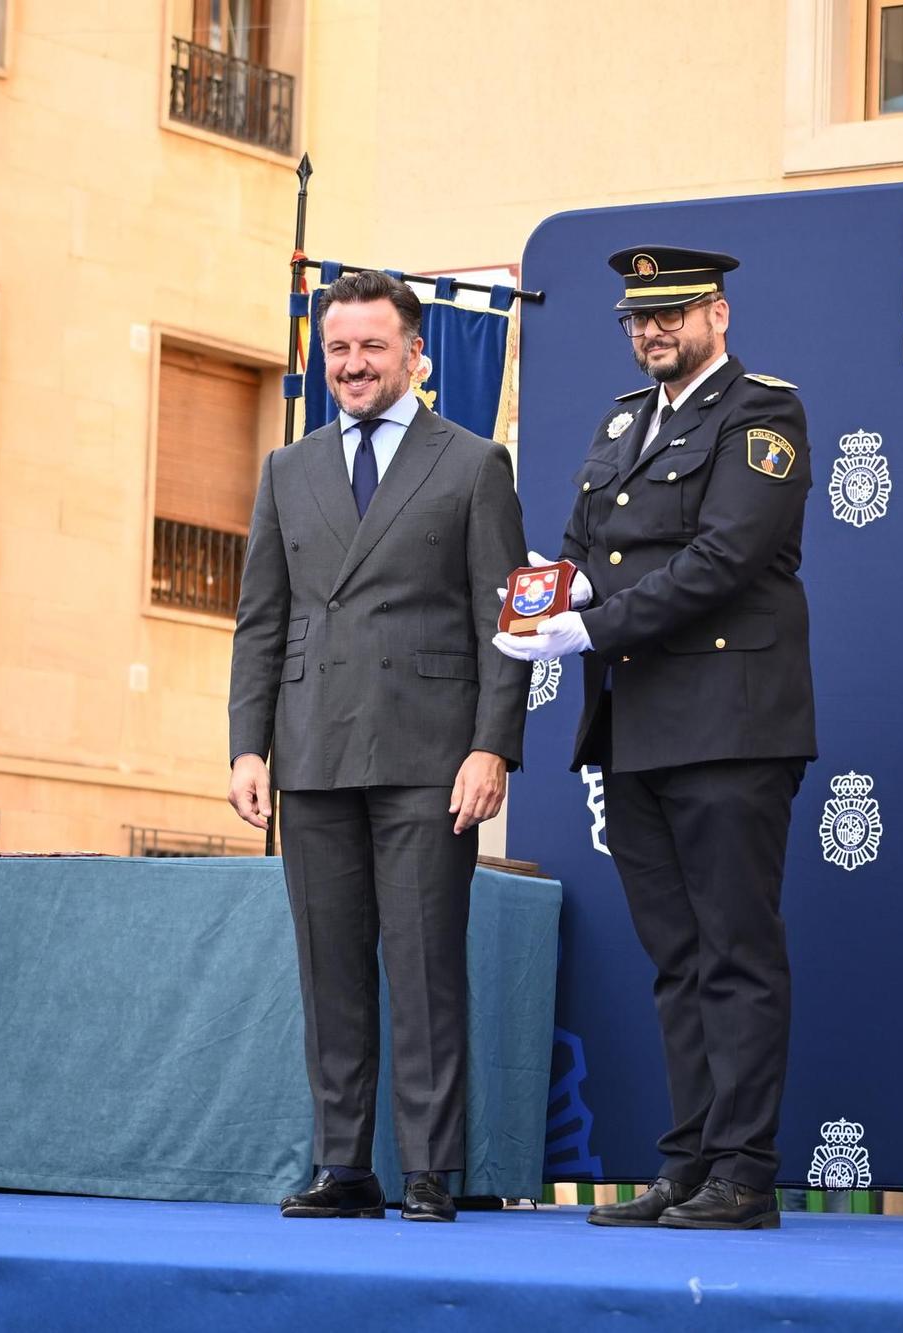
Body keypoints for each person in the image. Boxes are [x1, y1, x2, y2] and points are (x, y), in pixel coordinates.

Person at [495, 245, 815, 1230]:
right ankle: (687, 1163)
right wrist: (541, 600)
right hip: (632, 722)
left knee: (734, 951)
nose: (652, 330)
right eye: (638, 317)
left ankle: (742, 1173)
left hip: (727, 722)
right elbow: (585, 553)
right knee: (676, 956)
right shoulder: (622, 421)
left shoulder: (763, 413)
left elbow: (723, 558)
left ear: (717, 314)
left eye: (671, 312)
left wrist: (587, 626)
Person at [226, 270, 527, 1224]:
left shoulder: (473, 463)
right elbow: (260, 619)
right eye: (339, 349)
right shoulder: (287, 468)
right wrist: (246, 747)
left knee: (426, 966)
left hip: (429, 756)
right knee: (330, 970)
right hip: (311, 749)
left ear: (416, 354)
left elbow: (504, 623)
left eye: (372, 347)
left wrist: (492, 747)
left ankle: (431, 1167)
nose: (353, 365)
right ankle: (342, 1164)